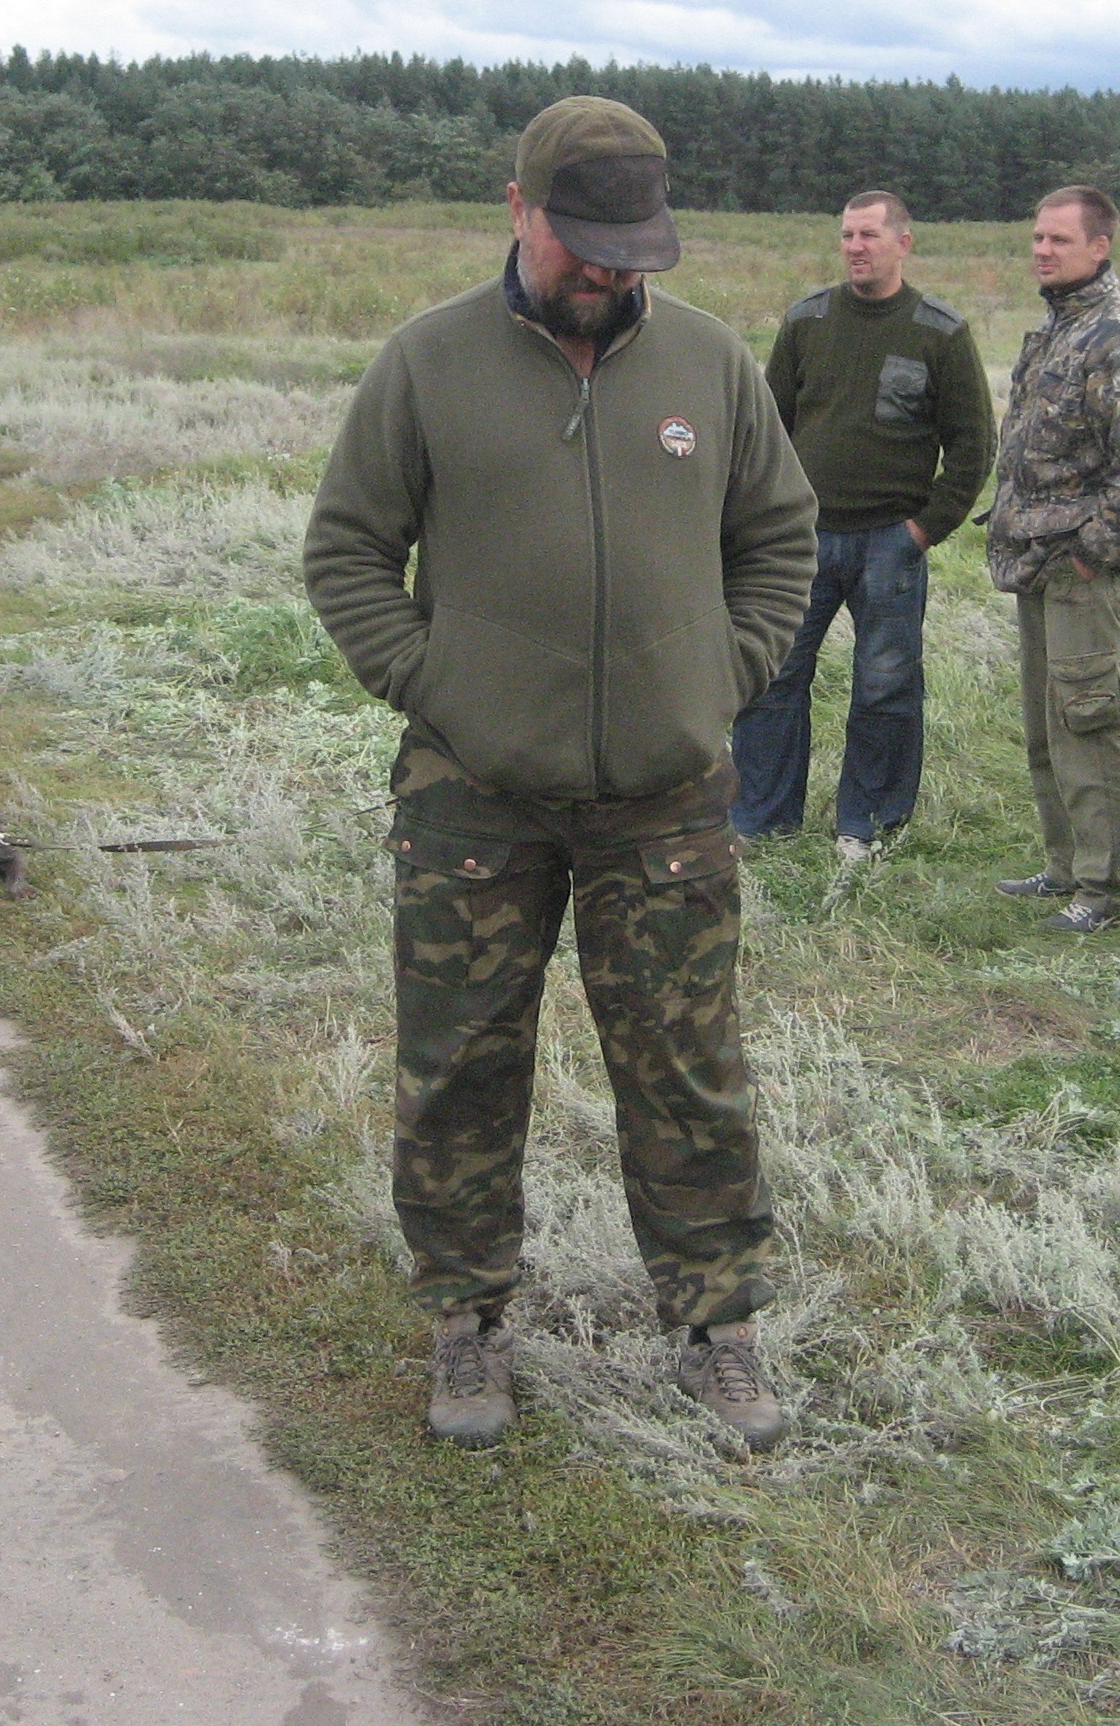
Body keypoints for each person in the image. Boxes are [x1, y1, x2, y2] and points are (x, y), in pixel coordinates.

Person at [305, 95, 816, 1453]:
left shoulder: (709, 364)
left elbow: (779, 537)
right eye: (580, 241)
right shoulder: (426, 363)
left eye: (628, 249)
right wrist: (436, 684)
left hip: (665, 798)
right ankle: (466, 1319)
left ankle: (717, 1328)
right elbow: (346, 551)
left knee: (686, 1066)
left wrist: (722, 673)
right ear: (517, 207)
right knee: (458, 1064)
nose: (604, 271)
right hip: (473, 796)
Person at [730, 191, 993, 859]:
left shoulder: (938, 333)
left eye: (869, 235)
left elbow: (972, 447)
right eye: (847, 234)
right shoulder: (807, 320)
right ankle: (761, 821)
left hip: (890, 544)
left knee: (885, 686)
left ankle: (868, 825)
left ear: (902, 244)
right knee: (773, 677)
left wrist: (922, 531)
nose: (855, 247)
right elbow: (767, 429)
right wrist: (767, 521)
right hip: (802, 541)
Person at [987, 186, 1120, 933]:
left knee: (1087, 721)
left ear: (1100, 247)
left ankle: (1113, 887)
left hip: (1078, 566)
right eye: (1037, 237)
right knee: (1047, 723)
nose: (1042, 250)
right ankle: (1066, 866)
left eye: (1059, 240)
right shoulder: (1057, 329)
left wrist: (1091, 556)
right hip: (1035, 560)